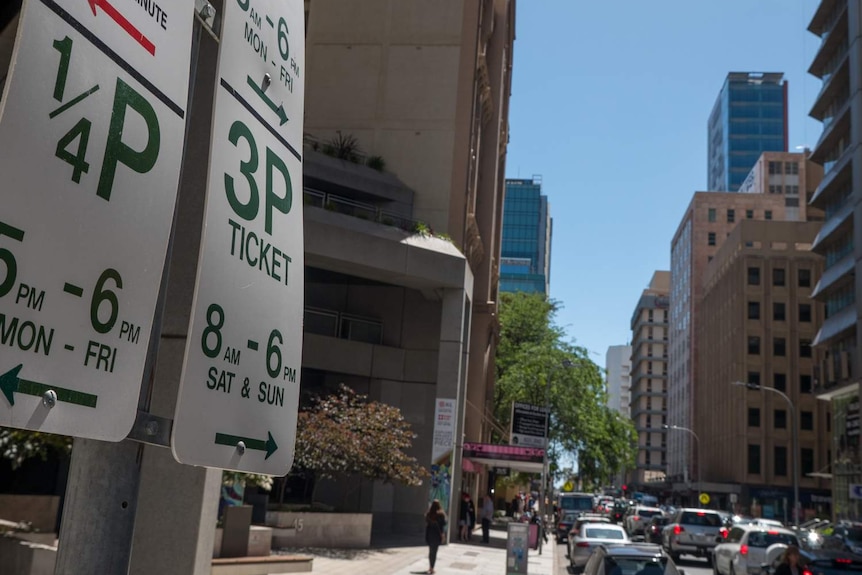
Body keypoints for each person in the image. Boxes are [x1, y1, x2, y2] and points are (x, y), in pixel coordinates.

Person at [424, 499, 447, 575]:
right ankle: (432, 568)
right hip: (437, 535)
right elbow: (442, 527)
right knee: (435, 552)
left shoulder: (429, 514)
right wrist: (443, 535)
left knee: (431, 551)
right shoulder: (441, 515)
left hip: (430, 534)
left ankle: (430, 567)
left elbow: (427, 524)